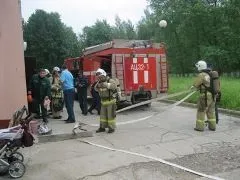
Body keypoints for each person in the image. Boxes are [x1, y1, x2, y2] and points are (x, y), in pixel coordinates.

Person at [191, 60, 216, 131]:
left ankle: (199, 127)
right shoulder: (211, 74)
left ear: (200, 66)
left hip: (205, 96)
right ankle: (212, 127)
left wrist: (193, 87)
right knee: (211, 111)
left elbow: (196, 84)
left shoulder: (202, 75)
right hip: (213, 95)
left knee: (201, 110)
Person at [94, 68, 117, 133]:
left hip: (110, 101)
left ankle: (111, 128)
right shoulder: (99, 82)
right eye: (98, 77)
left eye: (100, 76)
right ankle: (102, 127)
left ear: (103, 75)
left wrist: (106, 85)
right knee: (102, 116)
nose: (99, 78)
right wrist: (98, 85)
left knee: (110, 116)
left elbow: (114, 86)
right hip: (103, 102)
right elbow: (95, 89)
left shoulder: (110, 80)